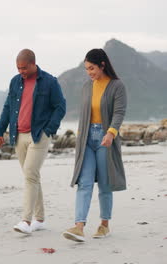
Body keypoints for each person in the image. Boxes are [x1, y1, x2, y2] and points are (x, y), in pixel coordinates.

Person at [0, 49, 66, 234]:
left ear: (33, 63)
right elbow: (7, 107)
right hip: (18, 135)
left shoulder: (50, 82)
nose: (21, 71)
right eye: (18, 68)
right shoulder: (15, 82)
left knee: (30, 173)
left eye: (24, 68)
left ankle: (26, 221)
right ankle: (40, 218)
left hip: (38, 135)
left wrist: (48, 130)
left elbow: (60, 107)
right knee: (31, 176)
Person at [63, 49, 127, 242]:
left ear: (102, 65)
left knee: (105, 185)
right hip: (86, 139)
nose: (89, 72)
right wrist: (80, 138)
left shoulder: (117, 86)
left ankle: (104, 225)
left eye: (92, 68)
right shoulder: (86, 87)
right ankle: (79, 226)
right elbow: (84, 115)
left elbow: (119, 113)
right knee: (85, 182)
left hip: (105, 138)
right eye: (86, 69)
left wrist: (111, 133)